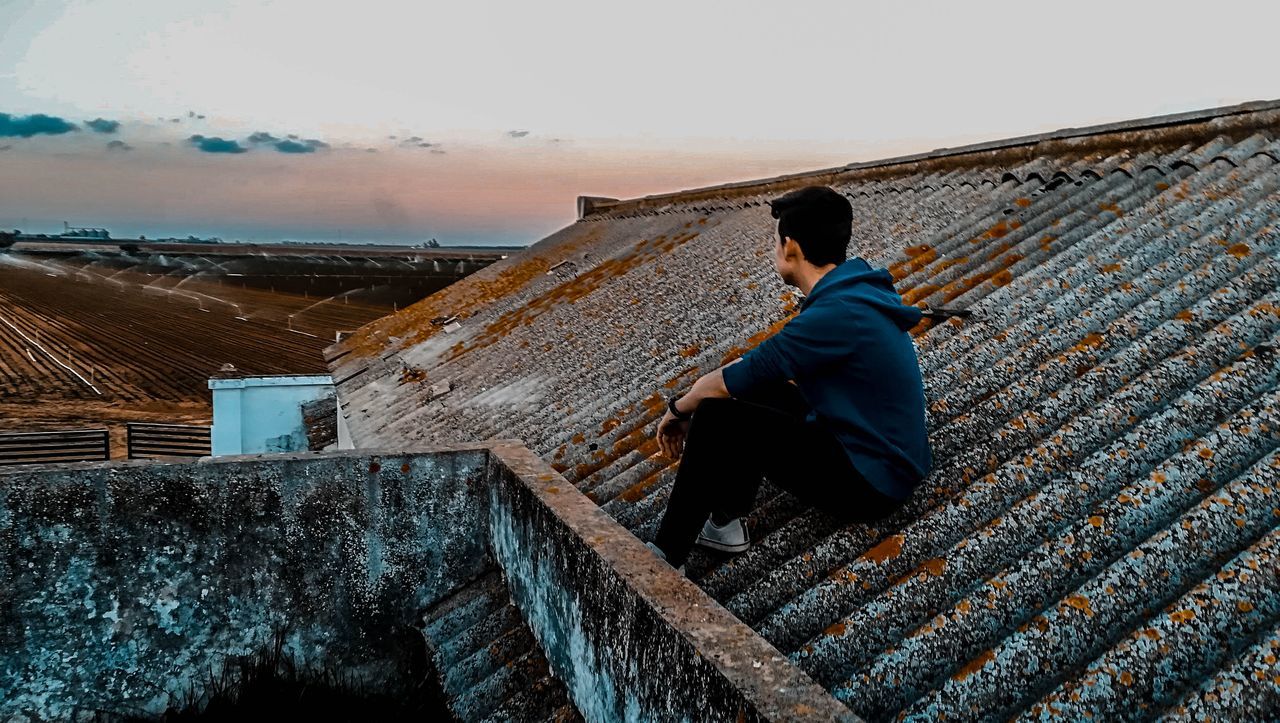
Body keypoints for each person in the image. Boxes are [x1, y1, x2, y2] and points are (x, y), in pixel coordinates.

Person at [647, 185, 932, 572]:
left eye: (775, 244)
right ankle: (724, 524)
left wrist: (677, 410)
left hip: (873, 483)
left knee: (715, 414)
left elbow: (731, 379)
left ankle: (666, 558)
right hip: (875, 453)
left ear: (791, 247)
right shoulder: (855, 293)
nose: (775, 252)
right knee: (752, 392)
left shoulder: (835, 313)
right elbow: (755, 371)